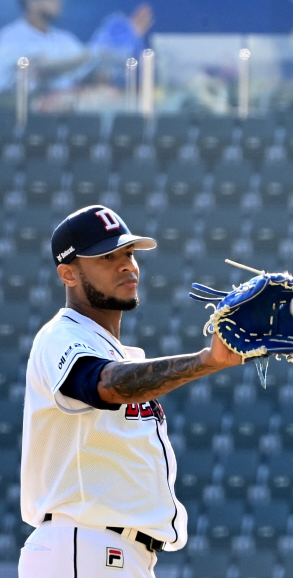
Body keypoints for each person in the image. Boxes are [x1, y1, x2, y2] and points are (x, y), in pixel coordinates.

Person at [19, 205, 242, 578]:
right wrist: (207, 361)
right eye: (107, 257)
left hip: (113, 554)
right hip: (82, 548)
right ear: (68, 273)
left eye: (129, 253)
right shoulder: (61, 335)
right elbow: (104, 384)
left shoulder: (118, 352)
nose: (127, 265)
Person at [0, 0, 89, 94]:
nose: (58, 1)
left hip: (66, 106)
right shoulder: (9, 37)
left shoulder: (64, 38)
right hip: (23, 108)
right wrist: (86, 57)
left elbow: (87, 69)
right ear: (32, 3)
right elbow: (39, 68)